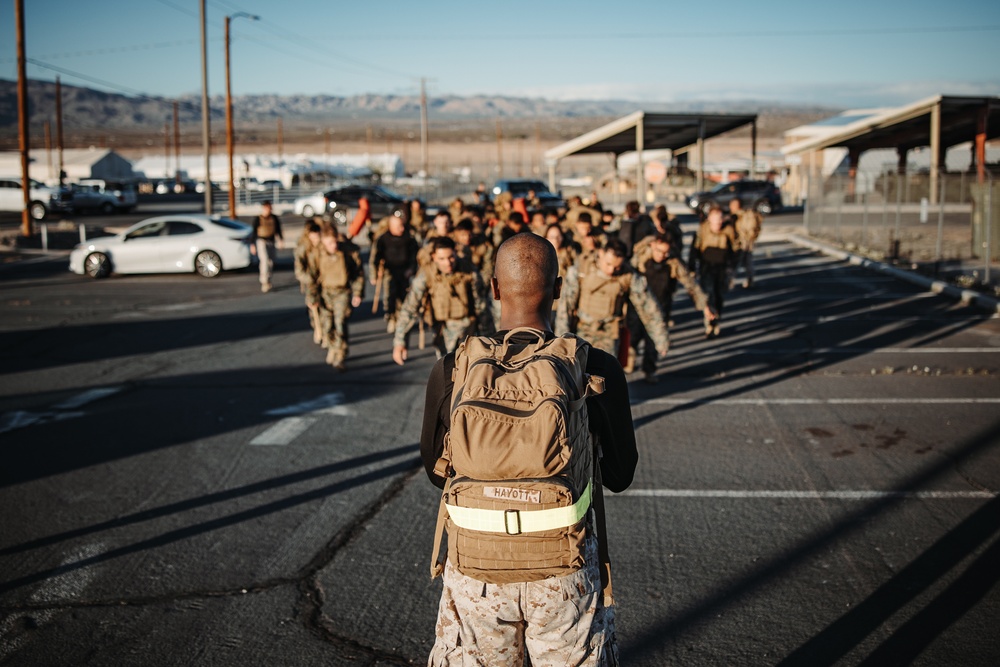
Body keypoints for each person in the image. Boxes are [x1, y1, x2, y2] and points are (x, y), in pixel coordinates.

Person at [421, 232, 635, 665]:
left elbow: (436, 471)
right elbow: (619, 475)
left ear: (494, 288)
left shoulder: (453, 367)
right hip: (563, 569)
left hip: (476, 571)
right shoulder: (595, 366)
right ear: (558, 290)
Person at [555, 238, 669, 361]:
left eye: (617, 267)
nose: (611, 270)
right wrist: (560, 340)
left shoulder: (628, 275)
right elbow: (565, 307)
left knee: (606, 374)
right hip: (583, 330)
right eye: (608, 264)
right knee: (578, 373)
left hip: (610, 333)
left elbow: (648, 307)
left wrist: (660, 339)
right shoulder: (582, 269)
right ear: (601, 253)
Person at [627, 233, 715, 383]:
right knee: (632, 336)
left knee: (653, 341)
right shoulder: (640, 258)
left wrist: (705, 306)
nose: (663, 255)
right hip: (637, 306)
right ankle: (629, 361)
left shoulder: (673, 263)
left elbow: (691, 284)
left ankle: (649, 370)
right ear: (652, 246)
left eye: (666, 252)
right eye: (660, 251)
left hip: (661, 307)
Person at [393, 237, 493, 364]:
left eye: (451, 257)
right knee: (446, 373)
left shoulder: (469, 271)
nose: (447, 263)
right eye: (442, 259)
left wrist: (490, 340)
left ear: (456, 253)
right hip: (443, 332)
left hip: (468, 330)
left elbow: (482, 307)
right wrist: (400, 342)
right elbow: (409, 308)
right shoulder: (427, 274)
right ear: (434, 257)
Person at [312, 224, 364, 370]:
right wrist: (312, 297)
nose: (333, 245)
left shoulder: (347, 252)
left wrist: (358, 293)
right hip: (325, 293)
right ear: (323, 241)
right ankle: (333, 347)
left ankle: (340, 355)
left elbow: (358, 274)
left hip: (343, 292)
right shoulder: (317, 253)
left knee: (340, 323)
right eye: (329, 243)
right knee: (327, 326)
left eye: (335, 241)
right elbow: (311, 276)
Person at [688, 204, 738, 338]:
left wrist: (733, 268)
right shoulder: (702, 230)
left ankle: (717, 320)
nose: (718, 222)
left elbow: (735, 250)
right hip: (707, 268)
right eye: (715, 219)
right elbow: (694, 249)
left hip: (722, 269)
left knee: (720, 296)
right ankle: (709, 323)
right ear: (709, 219)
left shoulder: (729, 230)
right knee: (708, 297)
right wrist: (692, 267)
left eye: (720, 218)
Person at [370, 214, 419, 333]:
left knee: (404, 298)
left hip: (404, 272)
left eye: (402, 226)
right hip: (389, 272)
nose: (401, 229)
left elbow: (415, 257)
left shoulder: (409, 239)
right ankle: (391, 318)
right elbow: (375, 258)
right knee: (390, 297)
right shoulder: (382, 239)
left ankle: (402, 320)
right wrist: (374, 274)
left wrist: (412, 269)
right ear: (390, 226)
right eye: (398, 226)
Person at [293, 219, 323, 344]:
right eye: (313, 237)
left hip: (323, 280)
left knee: (326, 307)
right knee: (313, 306)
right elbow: (299, 270)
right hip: (310, 282)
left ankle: (325, 332)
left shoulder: (323, 245)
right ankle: (317, 327)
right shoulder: (303, 248)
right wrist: (308, 278)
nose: (316, 239)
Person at [250, 200, 284, 293]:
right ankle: (264, 281)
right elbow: (254, 232)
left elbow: (278, 230)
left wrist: (280, 240)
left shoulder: (274, 218)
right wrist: (252, 244)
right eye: (266, 208)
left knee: (271, 261)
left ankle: (268, 279)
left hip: (271, 241)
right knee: (264, 260)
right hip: (261, 240)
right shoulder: (258, 219)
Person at [729, 198, 763, 289]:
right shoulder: (740, 215)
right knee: (747, 262)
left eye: (732, 205)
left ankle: (731, 281)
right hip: (746, 242)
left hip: (743, 243)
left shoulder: (741, 215)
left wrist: (745, 240)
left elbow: (747, 230)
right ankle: (749, 280)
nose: (730, 207)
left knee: (737, 262)